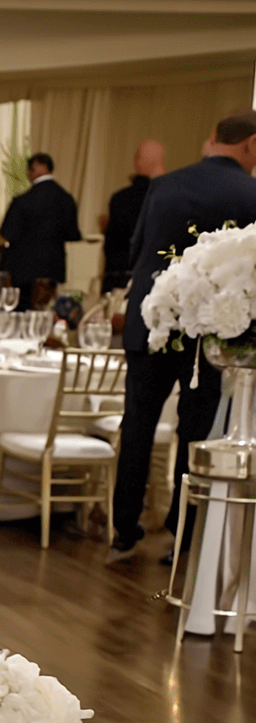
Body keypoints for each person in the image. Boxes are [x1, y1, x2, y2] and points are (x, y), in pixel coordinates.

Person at [109, 111, 256, 565]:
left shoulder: (165, 184)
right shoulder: (250, 192)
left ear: (214, 138)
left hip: (150, 322)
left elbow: (136, 252)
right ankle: (182, 537)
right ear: (250, 145)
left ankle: (124, 532)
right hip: (209, 331)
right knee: (194, 432)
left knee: (137, 427)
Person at [0, 153, 81, 308]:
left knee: (21, 314)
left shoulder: (23, 201)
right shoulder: (66, 199)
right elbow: (73, 234)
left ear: (34, 168)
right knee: (44, 312)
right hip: (52, 267)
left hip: (22, 269)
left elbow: (7, 234)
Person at [102, 140, 164, 293]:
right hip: (157, 280)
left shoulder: (120, 199)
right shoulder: (170, 198)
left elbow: (112, 243)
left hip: (121, 276)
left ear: (139, 163)